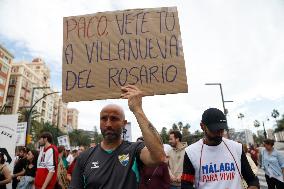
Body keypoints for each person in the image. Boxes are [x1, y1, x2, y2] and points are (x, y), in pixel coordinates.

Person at [69, 85, 166, 189]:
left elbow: (159, 157)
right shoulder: (84, 157)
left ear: (124, 123)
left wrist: (137, 109)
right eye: (104, 118)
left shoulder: (135, 150)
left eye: (114, 119)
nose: (108, 124)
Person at [181, 108, 259, 189]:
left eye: (222, 129)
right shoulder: (191, 152)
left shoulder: (236, 148)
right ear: (202, 126)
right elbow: (185, 185)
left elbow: (252, 180)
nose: (219, 133)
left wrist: (253, 186)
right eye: (214, 129)